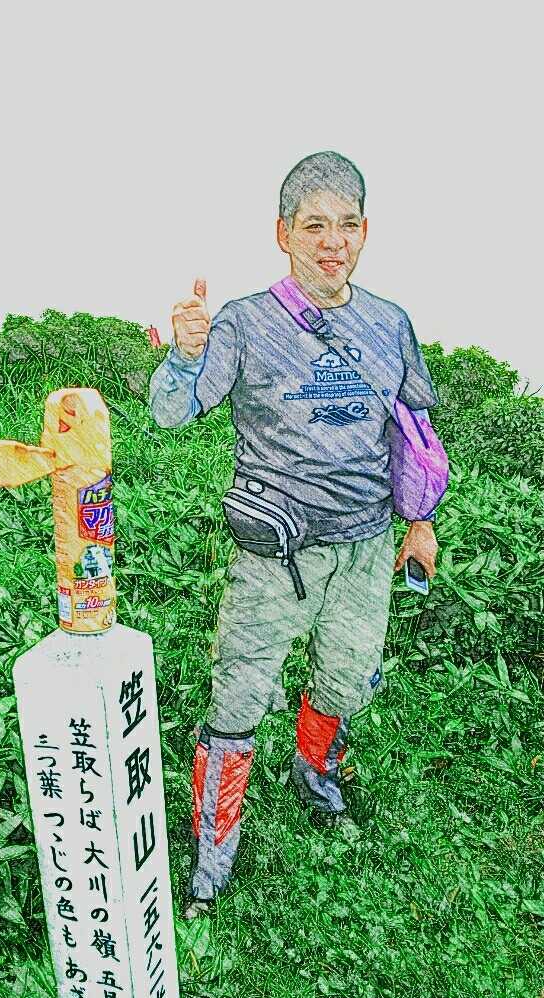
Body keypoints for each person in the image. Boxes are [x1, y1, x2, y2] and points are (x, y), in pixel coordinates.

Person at [148, 151, 440, 919]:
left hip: (367, 545)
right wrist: (184, 357)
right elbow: (171, 412)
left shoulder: (390, 324)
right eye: (314, 225)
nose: (331, 241)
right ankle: (213, 854)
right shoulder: (245, 322)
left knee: (346, 678)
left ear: (365, 231)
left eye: (346, 225)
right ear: (283, 233)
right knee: (239, 695)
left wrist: (420, 522)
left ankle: (316, 771)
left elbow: (414, 427)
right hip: (275, 551)